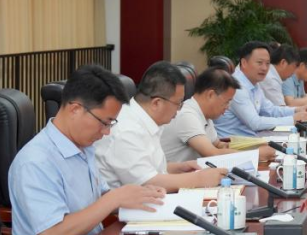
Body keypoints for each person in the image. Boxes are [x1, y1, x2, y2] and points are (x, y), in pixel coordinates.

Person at [9, 65, 166, 235]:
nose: (107, 132)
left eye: (111, 123)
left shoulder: (84, 146)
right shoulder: (36, 162)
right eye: (105, 122)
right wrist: (114, 199)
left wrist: (136, 195)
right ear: (75, 109)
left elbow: (99, 198)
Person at [95, 62, 230, 191]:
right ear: (157, 103)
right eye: (178, 103)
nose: (179, 110)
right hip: (127, 206)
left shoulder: (147, 120)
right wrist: (199, 179)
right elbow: (148, 182)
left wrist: (178, 168)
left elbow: (150, 169)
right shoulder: (126, 130)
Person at [160, 68, 277, 164]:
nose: (228, 107)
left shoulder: (205, 115)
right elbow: (212, 154)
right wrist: (255, 155)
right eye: (227, 101)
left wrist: (254, 146)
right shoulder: (187, 115)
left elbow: (218, 145)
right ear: (211, 95)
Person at [216, 41, 307, 138]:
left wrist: (296, 110)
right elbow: (255, 123)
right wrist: (292, 119)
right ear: (244, 63)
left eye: (267, 63)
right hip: (232, 143)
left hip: (252, 139)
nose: (264, 68)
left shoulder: (254, 84)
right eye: (259, 63)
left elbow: (271, 110)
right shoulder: (237, 87)